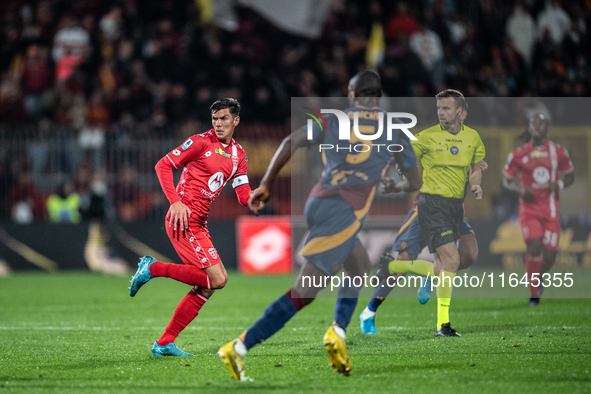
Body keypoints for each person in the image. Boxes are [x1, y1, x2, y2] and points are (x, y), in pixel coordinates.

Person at [218, 70, 421, 380]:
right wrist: (396, 185)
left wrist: (268, 183)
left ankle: (337, 332)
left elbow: (292, 140)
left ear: (353, 94)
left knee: (358, 266)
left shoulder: (335, 119)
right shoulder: (396, 130)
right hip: (343, 211)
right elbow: (416, 180)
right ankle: (239, 347)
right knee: (306, 291)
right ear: (379, 97)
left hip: (319, 201)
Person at [128, 98, 251, 356]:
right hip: (183, 220)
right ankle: (153, 267)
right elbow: (163, 165)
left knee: (208, 285)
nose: (218, 124)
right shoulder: (199, 142)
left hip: (199, 223)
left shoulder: (239, 154)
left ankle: (164, 344)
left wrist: (256, 197)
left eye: (224, 119)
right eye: (215, 119)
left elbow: (242, 194)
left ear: (235, 120)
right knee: (218, 279)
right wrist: (175, 202)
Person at [359, 110, 486, 334]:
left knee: (469, 255)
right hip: (424, 210)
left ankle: (432, 278)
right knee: (403, 264)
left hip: (454, 211)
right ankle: (369, 312)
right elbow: (403, 157)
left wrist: (476, 179)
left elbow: (476, 169)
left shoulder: (470, 142)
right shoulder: (427, 141)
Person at [502, 113, 574, 306]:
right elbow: (506, 181)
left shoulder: (559, 152)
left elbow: (570, 177)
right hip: (529, 210)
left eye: (540, 123)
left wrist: (557, 185)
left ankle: (538, 277)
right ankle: (534, 295)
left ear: (546, 128)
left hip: (550, 211)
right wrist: (520, 190)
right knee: (533, 247)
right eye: (533, 123)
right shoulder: (518, 154)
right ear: (529, 127)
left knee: (550, 256)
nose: (536, 126)